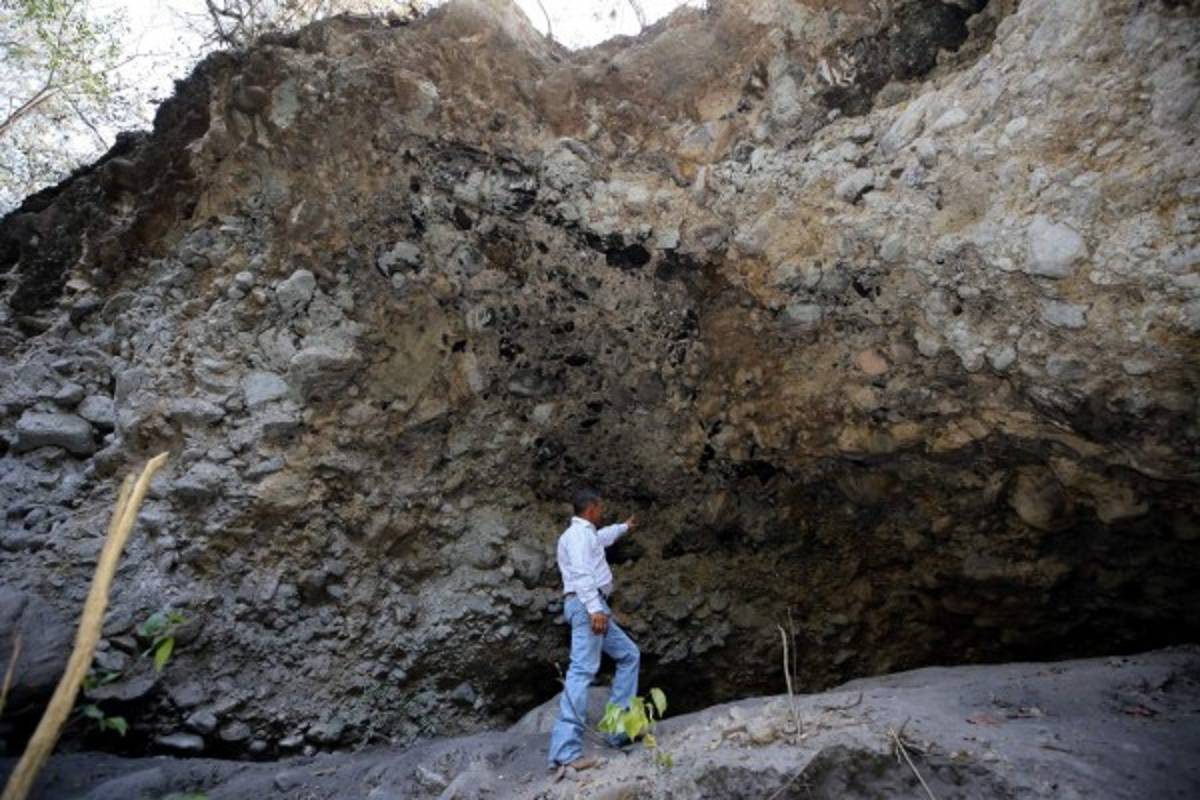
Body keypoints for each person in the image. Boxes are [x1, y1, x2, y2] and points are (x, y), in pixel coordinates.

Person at [547, 488, 639, 771]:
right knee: (581, 671)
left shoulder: (587, 535)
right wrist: (594, 608)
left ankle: (618, 730)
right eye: (601, 509)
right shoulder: (576, 537)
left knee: (629, 655)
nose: (603, 513)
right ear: (591, 509)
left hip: (593, 605)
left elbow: (603, 538)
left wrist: (625, 527)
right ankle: (565, 752)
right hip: (588, 606)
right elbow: (581, 572)